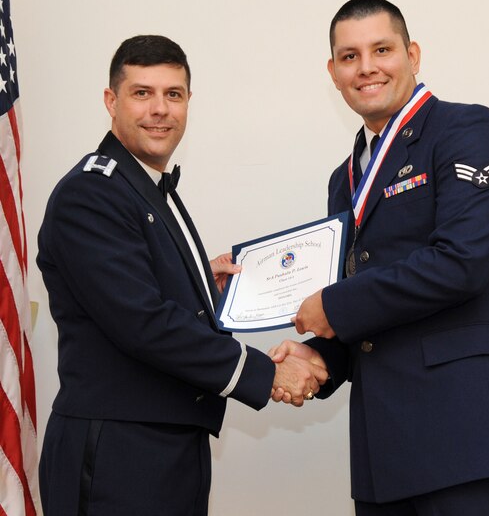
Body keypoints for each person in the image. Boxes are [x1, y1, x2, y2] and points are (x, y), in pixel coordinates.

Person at [36, 35, 327, 515]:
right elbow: (142, 321)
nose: (160, 109)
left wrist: (195, 277)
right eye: (142, 92)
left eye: (173, 94)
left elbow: (140, 287)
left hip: (165, 446)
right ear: (111, 101)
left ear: (189, 103)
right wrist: (265, 371)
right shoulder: (91, 193)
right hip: (117, 453)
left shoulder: (143, 186)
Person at [271, 0, 489, 515]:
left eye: (382, 49)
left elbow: (461, 263)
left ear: (413, 54)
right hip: (382, 451)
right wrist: (319, 354)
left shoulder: (466, 130)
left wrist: (335, 308)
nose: (366, 67)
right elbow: (363, 300)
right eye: (349, 56)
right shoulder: (343, 179)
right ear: (333, 71)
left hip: (466, 438)